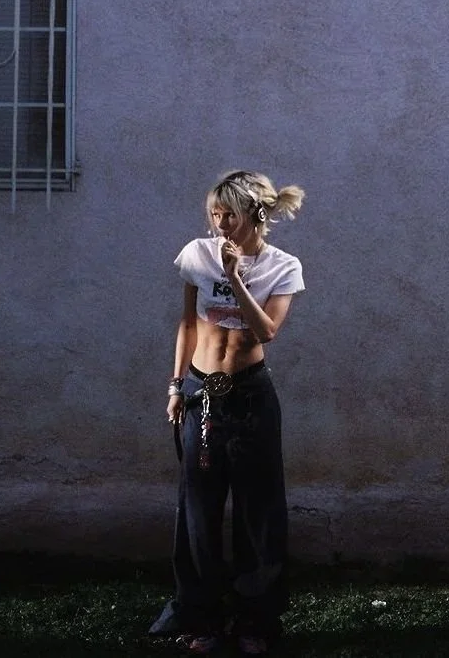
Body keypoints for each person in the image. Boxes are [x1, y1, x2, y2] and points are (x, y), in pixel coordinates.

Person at [149, 170, 305, 655]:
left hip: (251, 396)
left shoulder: (283, 266)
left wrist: (235, 276)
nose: (219, 224)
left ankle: (254, 619)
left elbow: (266, 332)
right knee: (198, 508)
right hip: (201, 392)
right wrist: (176, 386)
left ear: (255, 214)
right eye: (214, 214)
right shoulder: (197, 254)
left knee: (259, 510)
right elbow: (187, 324)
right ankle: (201, 616)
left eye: (228, 215)